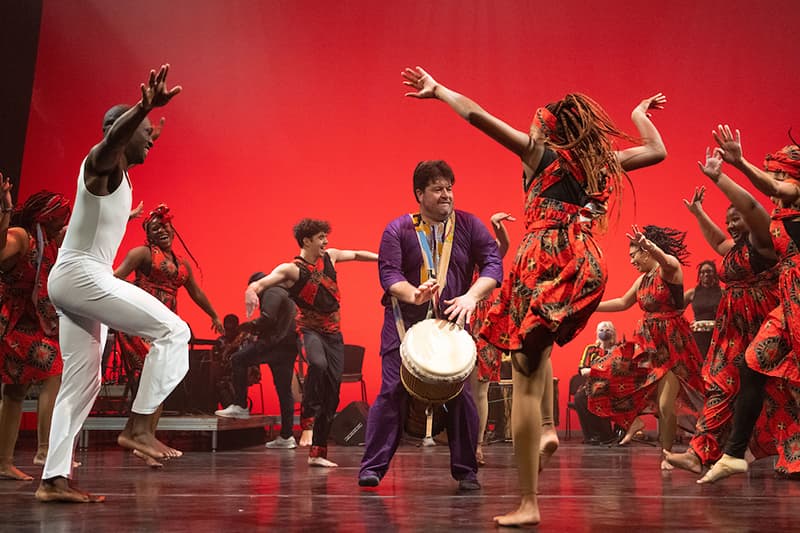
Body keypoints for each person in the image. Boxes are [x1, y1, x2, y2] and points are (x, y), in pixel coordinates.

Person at [401, 66, 667, 525]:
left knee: (523, 374)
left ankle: (529, 501)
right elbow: (657, 150)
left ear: (545, 130)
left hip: (543, 256)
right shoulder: (597, 163)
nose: (528, 127)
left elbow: (478, 117)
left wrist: (440, 90)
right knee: (536, 352)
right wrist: (639, 114)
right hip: (585, 260)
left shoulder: (539, 154)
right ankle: (547, 430)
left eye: (534, 123)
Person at [35, 64, 188, 503]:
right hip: (82, 276)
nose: (150, 143)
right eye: (145, 136)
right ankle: (138, 428)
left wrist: (146, 122)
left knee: (82, 383)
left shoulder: (118, 181)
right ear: (124, 131)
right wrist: (141, 109)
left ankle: (53, 480)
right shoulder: (100, 164)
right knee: (175, 331)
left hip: (74, 280)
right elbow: (111, 144)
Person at [357, 160, 503, 491]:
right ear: (419, 194)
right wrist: (414, 294)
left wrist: (471, 297)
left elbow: (494, 264)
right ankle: (372, 468)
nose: (446, 194)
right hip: (404, 327)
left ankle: (466, 471)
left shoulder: (467, 224)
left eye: (449, 188)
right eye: (437, 189)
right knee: (392, 392)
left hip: (451, 326)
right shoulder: (398, 229)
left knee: (462, 398)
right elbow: (389, 273)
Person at [665, 145, 782, 478]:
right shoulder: (734, 249)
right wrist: (699, 213)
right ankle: (698, 452)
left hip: (763, 325)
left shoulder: (763, 241)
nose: (731, 224)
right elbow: (718, 244)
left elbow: (755, 205)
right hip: (732, 331)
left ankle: (791, 452)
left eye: (736, 219)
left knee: (778, 390)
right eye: (728, 219)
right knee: (718, 384)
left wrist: (720, 177)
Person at [694, 126, 800, 482]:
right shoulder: (779, 221)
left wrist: (735, 166)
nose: (773, 180)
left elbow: (759, 198)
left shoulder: (796, 195)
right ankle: (735, 453)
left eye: (778, 174)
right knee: (752, 365)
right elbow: (741, 223)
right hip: (789, 303)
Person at [245, 219, 377, 467]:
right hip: (309, 331)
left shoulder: (332, 257)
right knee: (317, 363)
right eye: (320, 238)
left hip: (334, 335)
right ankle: (306, 422)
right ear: (306, 241)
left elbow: (358, 254)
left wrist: (384, 259)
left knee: (332, 393)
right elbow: (261, 283)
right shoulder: (291, 270)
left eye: (326, 237)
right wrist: (251, 291)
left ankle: (318, 453)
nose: (326, 242)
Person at [113, 204, 223, 466]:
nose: (161, 230)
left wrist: (214, 315)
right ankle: (138, 435)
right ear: (148, 235)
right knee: (150, 380)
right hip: (140, 323)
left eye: (164, 225)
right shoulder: (141, 254)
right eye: (154, 228)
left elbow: (195, 292)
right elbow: (114, 278)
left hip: (164, 327)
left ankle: (145, 440)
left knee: (161, 383)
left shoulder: (180, 263)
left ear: (173, 228)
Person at [587, 225, 703, 467]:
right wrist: (589, 306)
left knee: (664, 404)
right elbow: (621, 302)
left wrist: (649, 244)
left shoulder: (669, 270)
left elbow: (667, 260)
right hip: (647, 345)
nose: (631, 260)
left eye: (634, 255)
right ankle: (634, 421)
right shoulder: (642, 280)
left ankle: (668, 455)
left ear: (647, 252)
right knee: (606, 375)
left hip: (671, 346)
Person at [0, 181, 70, 480]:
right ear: (45, 217)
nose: (63, 223)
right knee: (52, 369)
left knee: (16, 391)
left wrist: (122, 215)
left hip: (31, 321)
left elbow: (83, 228)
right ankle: (42, 449)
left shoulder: (49, 241)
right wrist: (5, 206)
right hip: (12, 320)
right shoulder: (21, 237)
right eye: (59, 218)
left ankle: (5, 462)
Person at [217, 272, 299, 450]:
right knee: (285, 392)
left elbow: (268, 318)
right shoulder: (285, 292)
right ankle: (287, 436)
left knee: (238, 359)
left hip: (273, 345)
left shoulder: (270, 292)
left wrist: (250, 326)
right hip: (288, 346)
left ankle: (240, 405)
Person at [470, 211, 513, 466]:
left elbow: (504, 245)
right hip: (459, 322)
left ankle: (477, 445)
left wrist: (497, 226)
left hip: (486, 326)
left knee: (481, 390)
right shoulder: (457, 260)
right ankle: (454, 439)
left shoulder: (489, 262)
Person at [573, 321, 617, 445]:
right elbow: (583, 370)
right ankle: (591, 435)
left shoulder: (618, 349)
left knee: (602, 395)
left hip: (613, 385)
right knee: (579, 397)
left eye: (608, 330)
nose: (604, 332)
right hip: (591, 384)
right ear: (597, 333)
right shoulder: (591, 349)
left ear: (613, 333)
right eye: (601, 330)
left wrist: (597, 370)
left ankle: (606, 434)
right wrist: (602, 369)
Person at [683, 260, 722, 360]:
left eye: (709, 271)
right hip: (698, 337)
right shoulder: (692, 293)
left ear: (714, 274)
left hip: (717, 336)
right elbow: (676, 312)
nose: (706, 274)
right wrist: (686, 326)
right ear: (699, 275)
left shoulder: (723, 293)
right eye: (703, 272)